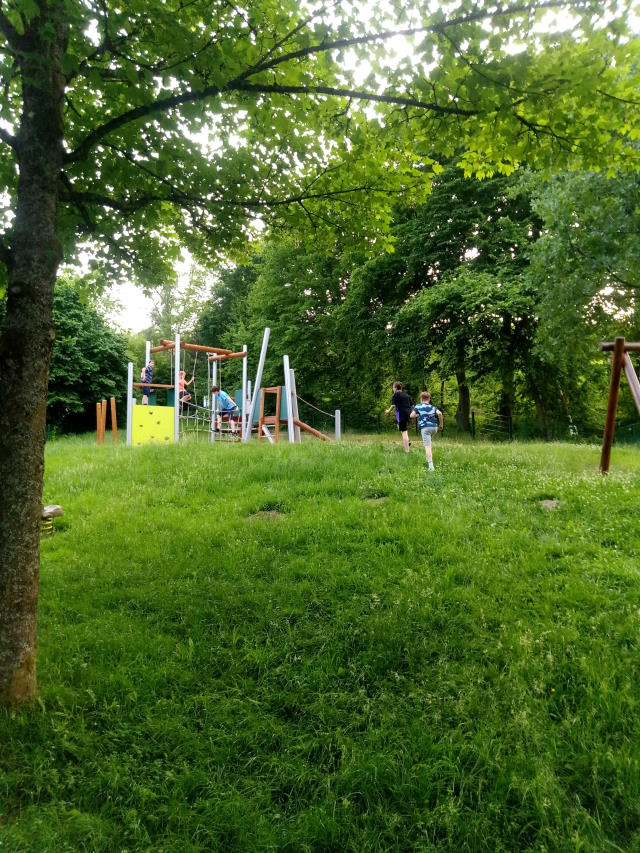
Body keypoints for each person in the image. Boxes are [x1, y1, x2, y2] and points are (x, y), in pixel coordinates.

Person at [410, 390, 444, 470]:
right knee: (429, 443)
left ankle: (431, 467)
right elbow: (440, 413)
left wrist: (418, 414)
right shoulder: (433, 407)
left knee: (427, 446)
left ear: (421, 399)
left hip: (425, 428)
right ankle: (428, 457)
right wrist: (441, 424)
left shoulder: (418, 406)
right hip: (434, 428)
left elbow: (411, 415)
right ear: (429, 399)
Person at [385, 381, 413, 453]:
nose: (393, 389)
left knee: (404, 432)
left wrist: (388, 411)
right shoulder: (406, 395)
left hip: (401, 415)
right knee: (400, 426)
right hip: (408, 414)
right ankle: (408, 440)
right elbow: (412, 405)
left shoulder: (395, 395)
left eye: (393, 388)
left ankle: (407, 451)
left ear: (395, 388)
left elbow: (393, 405)